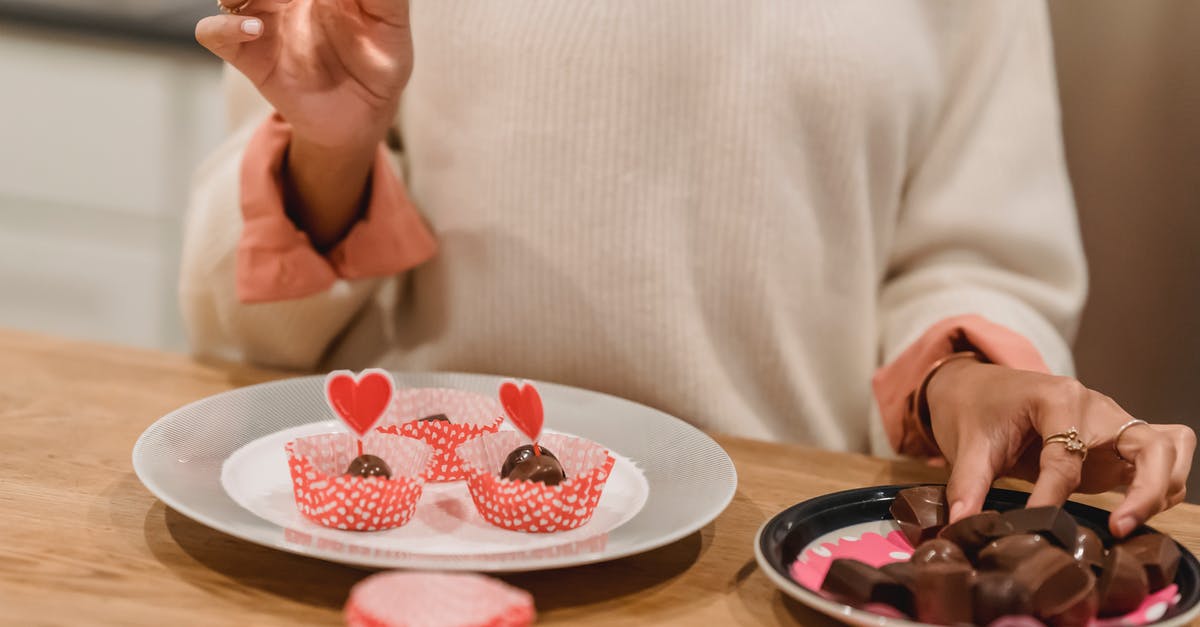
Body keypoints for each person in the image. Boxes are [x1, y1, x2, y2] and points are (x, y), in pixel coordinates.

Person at [184, 0, 1194, 536]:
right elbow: (238, 326)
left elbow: (975, 258)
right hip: (412, 539)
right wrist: (330, 150)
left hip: (765, 564)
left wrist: (968, 379)